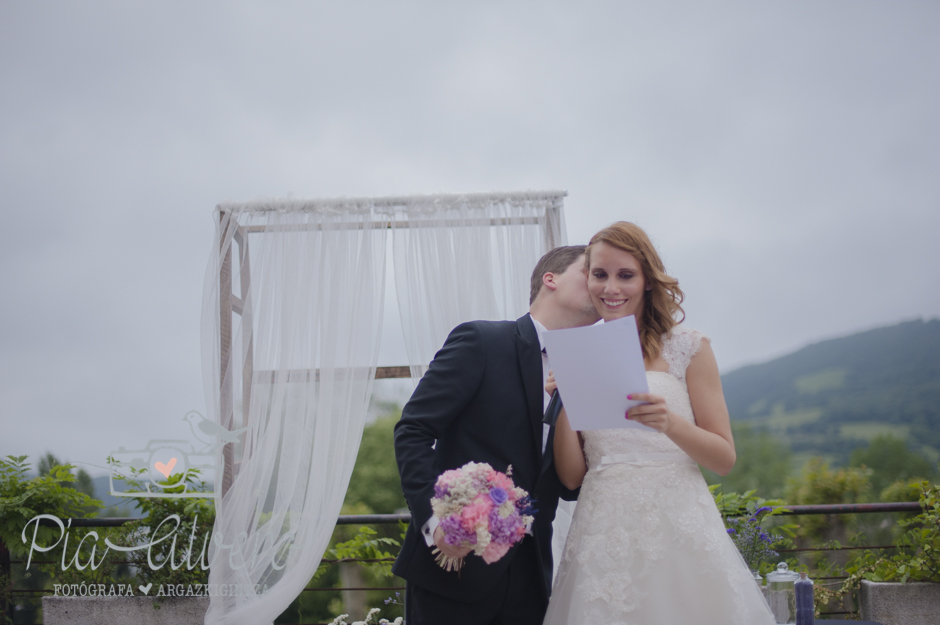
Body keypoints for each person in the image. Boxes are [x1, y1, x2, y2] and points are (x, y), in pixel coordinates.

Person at [543, 222, 775, 624]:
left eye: (625, 275)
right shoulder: (579, 353)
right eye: (600, 274)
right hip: (604, 534)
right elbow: (572, 477)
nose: (610, 288)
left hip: (679, 528)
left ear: (647, 280)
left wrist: (670, 423)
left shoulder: (689, 347)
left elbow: (723, 459)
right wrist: (563, 403)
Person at [393, 245, 600, 625]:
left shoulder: (590, 371)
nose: (602, 284)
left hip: (532, 578)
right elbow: (413, 430)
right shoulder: (482, 341)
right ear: (551, 279)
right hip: (454, 569)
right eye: (593, 272)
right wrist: (437, 523)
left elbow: (570, 484)